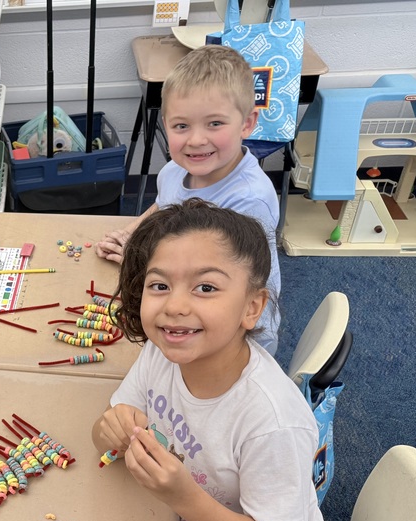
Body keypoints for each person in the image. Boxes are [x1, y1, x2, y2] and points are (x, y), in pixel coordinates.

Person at [94, 199, 328, 521]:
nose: (175, 305)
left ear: (252, 307)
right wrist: (111, 428)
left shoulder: (271, 422)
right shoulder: (167, 351)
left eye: (205, 287)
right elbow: (110, 427)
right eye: (159, 285)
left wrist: (184, 497)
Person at [95, 45, 282, 355]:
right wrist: (132, 231)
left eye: (215, 124)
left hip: (236, 334)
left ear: (247, 123)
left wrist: (138, 255)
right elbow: (165, 206)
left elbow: (217, 279)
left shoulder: (249, 201)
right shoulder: (174, 170)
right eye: (181, 126)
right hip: (190, 303)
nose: (195, 140)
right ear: (165, 124)